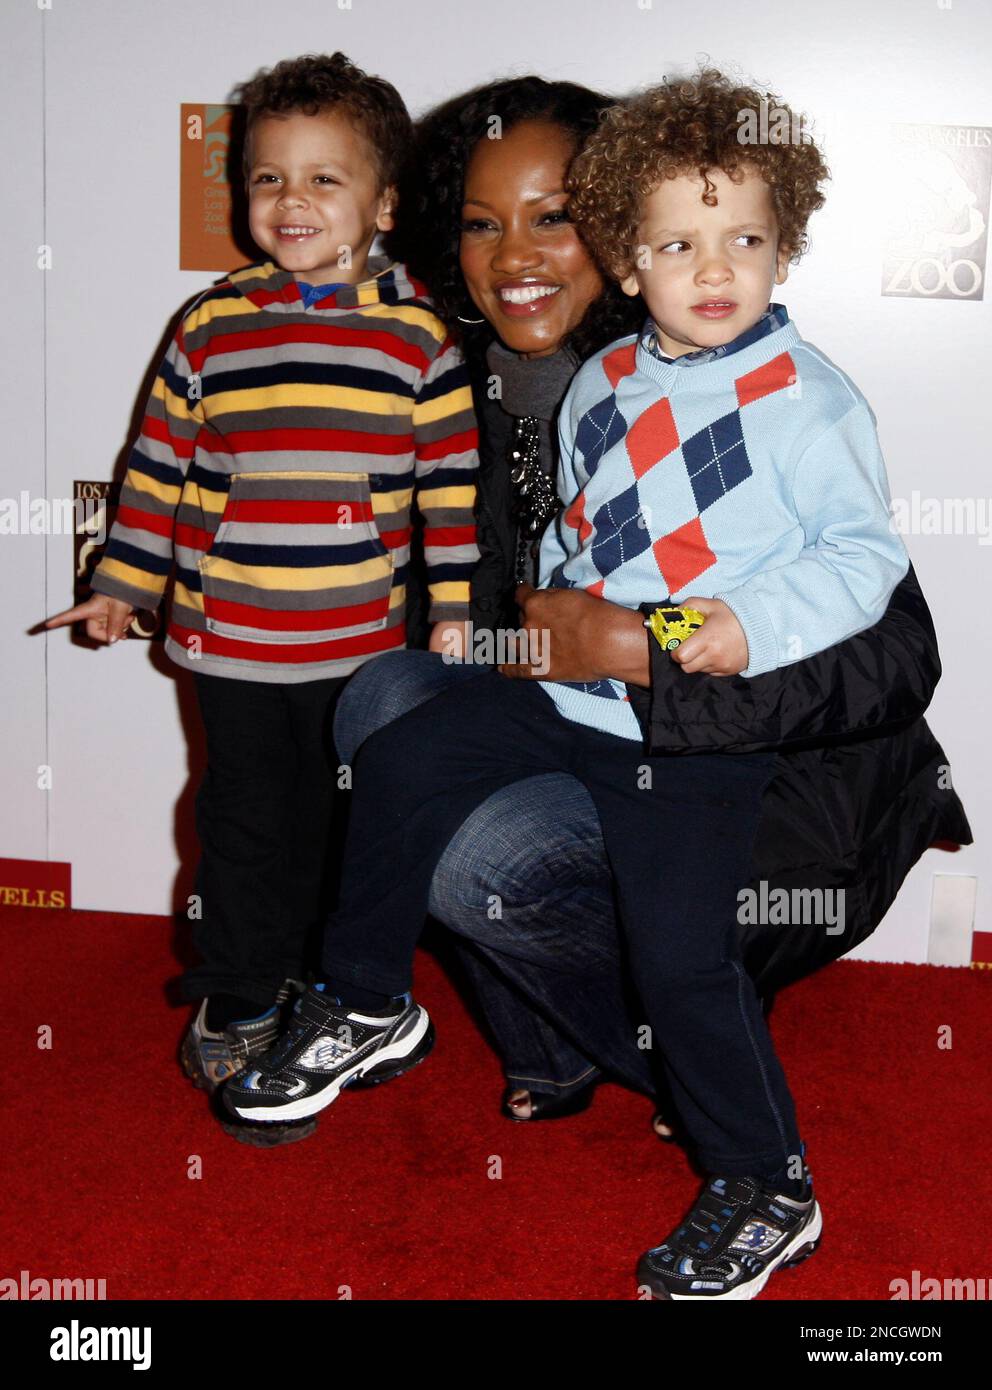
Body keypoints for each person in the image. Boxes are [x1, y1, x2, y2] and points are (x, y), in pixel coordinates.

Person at [221, 69, 955, 1301]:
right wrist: (507, 644)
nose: (711, 269)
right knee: (399, 738)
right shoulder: (599, 390)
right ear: (634, 259)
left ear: (783, 245)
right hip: (573, 705)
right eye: (677, 243)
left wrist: (666, 634)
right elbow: (577, 552)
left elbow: (866, 580)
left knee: (679, 963)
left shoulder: (803, 400)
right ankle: (367, 1003)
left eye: (741, 242)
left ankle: (765, 1180)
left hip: (721, 750)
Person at [44, 53, 479, 1127]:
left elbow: (450, 492)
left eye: (324, 179)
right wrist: (120, 583)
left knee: (340, 834)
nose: (292, 202)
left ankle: (331, 995)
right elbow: (154, 466)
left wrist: (457, 610)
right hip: (226, 641)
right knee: (241, 827)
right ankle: (237, 992)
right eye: (267, 178)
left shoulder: (417, 337)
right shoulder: (210, 324)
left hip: (359, 655)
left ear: (379, 203)